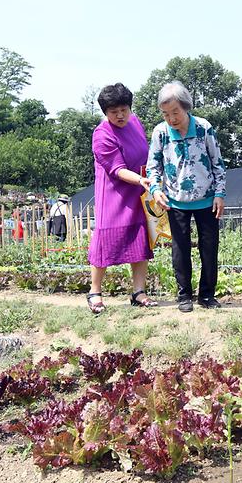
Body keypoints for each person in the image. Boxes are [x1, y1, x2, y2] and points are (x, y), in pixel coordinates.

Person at [147, 81, 227, 312]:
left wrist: (220, 193)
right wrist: (156, 189)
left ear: (186, 107)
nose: (171, 118)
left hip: (207, 199)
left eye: (175, 112)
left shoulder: (203, 128)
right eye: (165, 114)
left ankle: (207, 295)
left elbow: (217, 163)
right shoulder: (160, 132)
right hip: (175, 201)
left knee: (209, 248)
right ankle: (184, 296)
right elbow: (153, 166)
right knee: (180, 249)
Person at [87, 83, 157, 314]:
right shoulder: (102, 135)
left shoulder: (135, 122)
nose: (120, 115)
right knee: (106, 241)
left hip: (138, 191)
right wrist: (139, 179)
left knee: (140, 239)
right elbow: (116, 169)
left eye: (124, 109)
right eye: (113, 111)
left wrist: (147, 179)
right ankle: (95, 291)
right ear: (105, 113)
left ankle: (138, 292)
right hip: (114, 195)